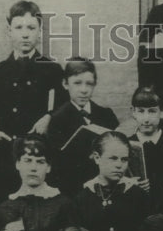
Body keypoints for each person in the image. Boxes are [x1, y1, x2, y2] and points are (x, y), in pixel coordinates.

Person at [0, 0, 68, 200]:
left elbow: (67, 109)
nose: (25, 34)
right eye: (19, 27)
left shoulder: (52, 70)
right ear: (9, 31)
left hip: (41, 166)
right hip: (7, 164)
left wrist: (50, 118)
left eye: (31, 28)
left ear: (40, 32)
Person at [71, 132, 151, 231]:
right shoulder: (82, 198)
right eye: (113, 158)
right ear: (97, 158)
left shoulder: (138, 195)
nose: (119, 165)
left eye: (124, 159)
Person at [0, 135, 76, 231]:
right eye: (27, 161)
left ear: (48, 167)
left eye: (40, 162)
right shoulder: (7, 206)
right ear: (17, 164)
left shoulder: (64, 204)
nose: (33, 168)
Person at [45, 57, 119, 196]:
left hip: (109, 188)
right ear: (65, 84)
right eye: (77, 83)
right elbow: (57, 168)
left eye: (89, 84)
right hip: (75, 191)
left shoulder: (106, 115)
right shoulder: (57, 120)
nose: (84, 90)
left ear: (95, 84)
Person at [126, 85, 163, 209]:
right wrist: (127, 183)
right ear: (133, 112)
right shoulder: (126, 145)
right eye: (141, 111)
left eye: (152, 111)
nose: (146, 119)